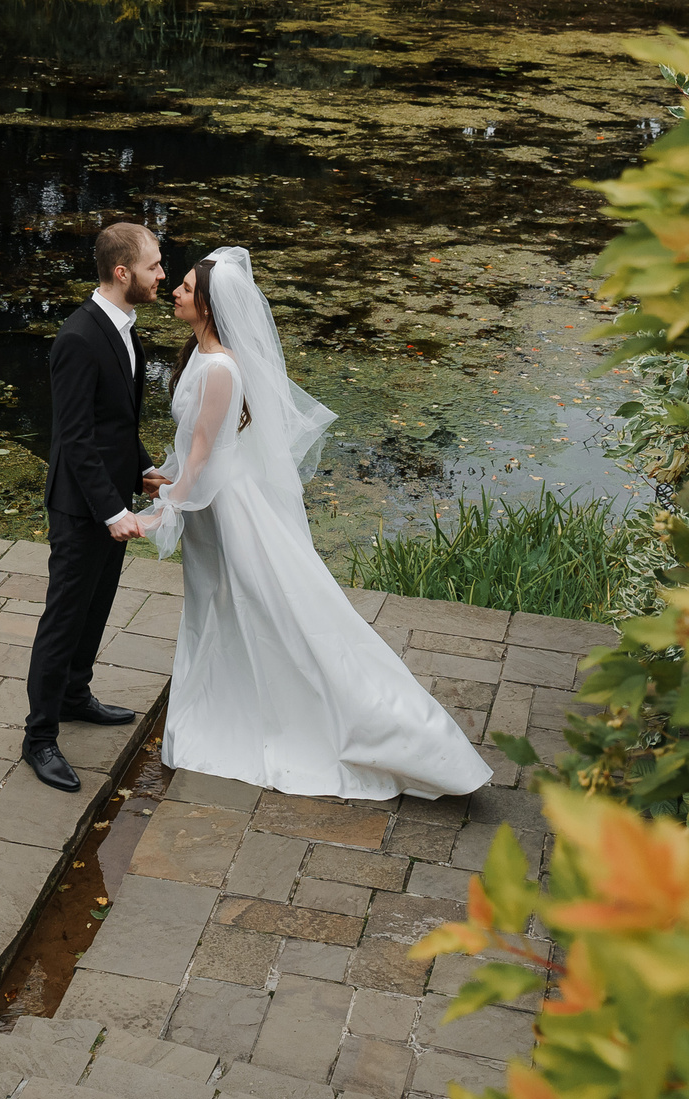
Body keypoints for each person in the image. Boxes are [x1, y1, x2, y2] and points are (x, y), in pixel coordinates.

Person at [129, 249, 491, 801]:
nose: (174, 292)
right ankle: (225, 703)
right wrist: (167, 476)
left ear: (208, 303)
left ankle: (377, 729)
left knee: (272, 608)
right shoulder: (198, 356)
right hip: (209, 507)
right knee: (219, 607)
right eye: (175, 284)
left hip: (228, 512)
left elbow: (206, 453)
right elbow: (192, 449)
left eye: (183, 286)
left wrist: (162, 511)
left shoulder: (223, 368)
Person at [24, 221, 167, 792]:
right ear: (122, 271)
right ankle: (38, 737)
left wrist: (142, 470)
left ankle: (75, 695)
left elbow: (115, 423)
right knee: (64, 617)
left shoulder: (125, 329)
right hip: (81, 508)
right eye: (155, 266)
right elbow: (74, 439)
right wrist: (113, 511)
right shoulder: (78, 338)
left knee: (97, 605)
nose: (162, 275)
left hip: (112, 498)